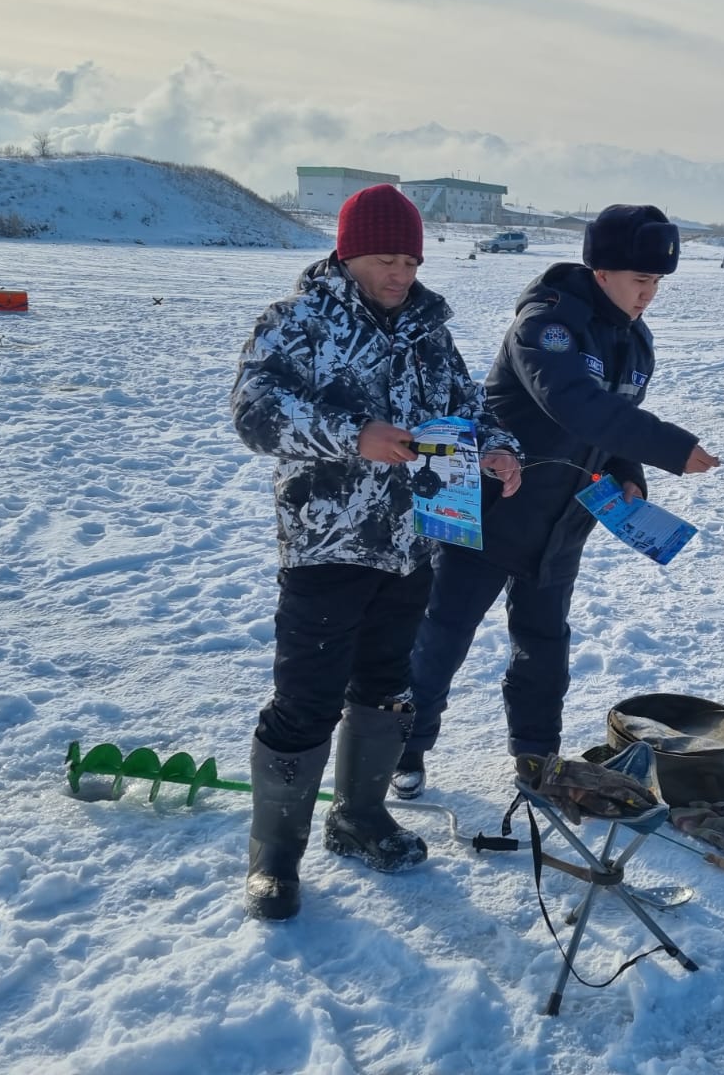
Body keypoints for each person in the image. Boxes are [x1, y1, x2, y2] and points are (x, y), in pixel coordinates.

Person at [230, 184, 523, 921]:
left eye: (411, 261)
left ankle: (360, 817)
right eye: (387, 259)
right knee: (306, 700)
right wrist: (354, 435)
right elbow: (255, 413)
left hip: (412, 545)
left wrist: (497, 448)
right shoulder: (297, 323)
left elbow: (466, 408)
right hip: (326, 547)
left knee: (389, 687)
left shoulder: (428, 332)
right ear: (349, 253)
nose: (401, 273)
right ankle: (274, 859)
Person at [394, 204, 720, 799]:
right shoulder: (547, 326)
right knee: (441, 638)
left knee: (544, 648)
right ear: (602, 272)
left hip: (562, 523)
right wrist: (671, 447)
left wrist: (628, 473)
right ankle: (402, 749)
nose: (648, 294)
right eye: (639, 280)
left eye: (656, 282)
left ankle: (536, 755)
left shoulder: (635, 341)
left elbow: (610, 426)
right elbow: (574, 404)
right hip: (489, 514)